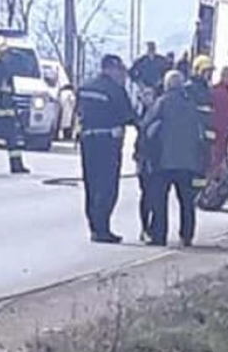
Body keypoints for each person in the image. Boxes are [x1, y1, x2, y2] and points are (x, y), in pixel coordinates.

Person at [141, 69, 205, 247]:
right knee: (186, 201)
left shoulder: (161, 103)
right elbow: (200, 134)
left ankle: (159, 235)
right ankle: (187, 235)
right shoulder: (191, 104)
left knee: (159, 200)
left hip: (164, 161)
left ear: (166, 85)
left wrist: (144, 154)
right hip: (188, 163)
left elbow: (147, 128)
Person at [77, 54, 136, 243]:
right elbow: (128, 116)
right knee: (107, 186)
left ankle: (94, 226)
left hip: (87, 140)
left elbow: (79, 111)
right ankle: (103, 228)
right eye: (120, 71)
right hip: (108, 142)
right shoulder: (115, 90)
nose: (122, 75)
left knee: (91, 184)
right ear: (111, 69)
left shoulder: (85, 87)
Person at [0, 47, 31, 175]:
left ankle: (16, 165)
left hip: (8, 112)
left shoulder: (8, 70)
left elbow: (10, 92)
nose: (8, 57)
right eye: (6, 54)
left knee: (13, 141)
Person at [184, 55, 217, 193]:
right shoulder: (190, 88)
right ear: (198, 71)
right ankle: (192, 190)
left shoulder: (206, 88)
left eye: (210, 72)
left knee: (204, 165)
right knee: (195, 166)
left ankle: (199, 190)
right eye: (206, 71)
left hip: (206, 135)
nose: (209, 75)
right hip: (195, 135)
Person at [133, 85, 158, 241]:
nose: (147, 98)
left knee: (156, 195)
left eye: (150, 94)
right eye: (144, 95)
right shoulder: (141, 115)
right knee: (146, 195)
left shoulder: (159, 112)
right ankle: (144, 228)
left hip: (157, 160)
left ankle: (153, 228)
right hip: (144, 159)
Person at [210, 66, 228, 173]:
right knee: (216, 160)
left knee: (218, 159)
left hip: (220, 132)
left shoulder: (216, 91)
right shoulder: (222, 92)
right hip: (219, 132)